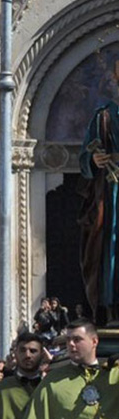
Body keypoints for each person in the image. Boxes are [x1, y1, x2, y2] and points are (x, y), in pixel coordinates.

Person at [79, 101, 119, 318]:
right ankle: (111, 307)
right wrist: (93, 160)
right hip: (112, 190)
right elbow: (85, 155)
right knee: (108, 246)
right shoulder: (104, 116)